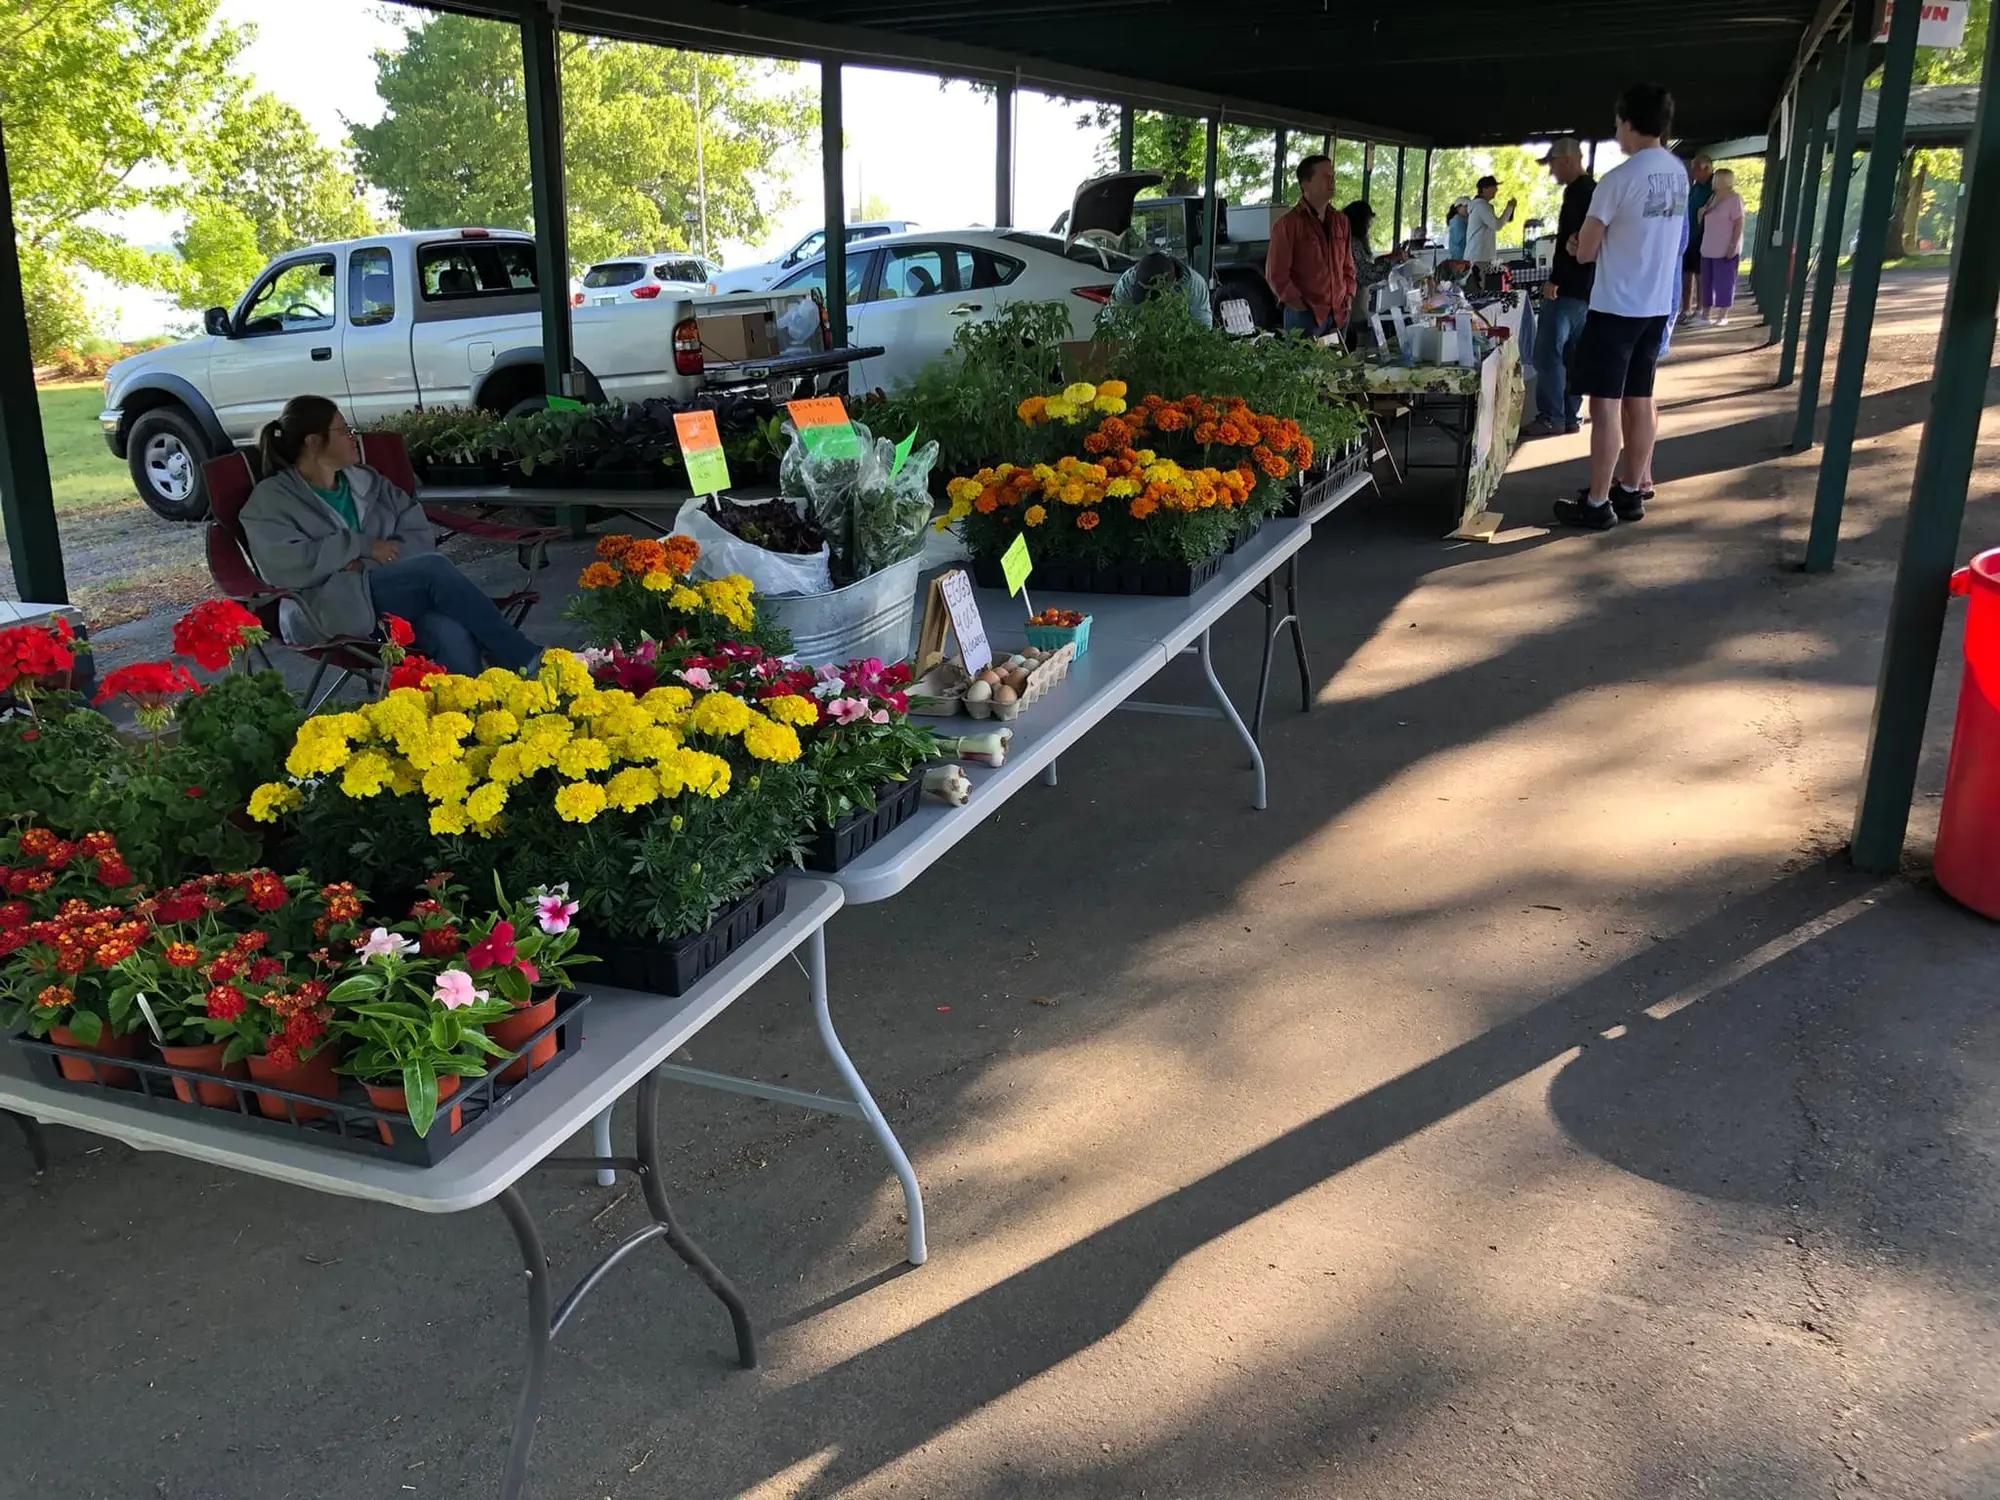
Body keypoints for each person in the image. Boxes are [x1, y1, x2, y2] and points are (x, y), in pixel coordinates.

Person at [241, 394, 541, 677]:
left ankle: (470, 721)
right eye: (343, 431)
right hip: (326, 609)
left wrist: (367, 564)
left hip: (394, 598)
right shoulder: (272, 500)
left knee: (448, 630)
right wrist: (361, 545)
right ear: (313, 442)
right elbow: (282, 566)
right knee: (433, 570)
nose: (353, 438)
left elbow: (417, 533)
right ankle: (526, 659)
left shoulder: (368, 481)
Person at [1553, 82, 1688, 532]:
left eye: (1617, 125)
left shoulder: (1618, 179)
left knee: (1605, 406)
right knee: (1640, 398)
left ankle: (1596, 502)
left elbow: (1587, 250)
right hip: (1654, 306)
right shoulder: (1677, 172)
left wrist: (1576, 242)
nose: (1616, 134)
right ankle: (1631, 490)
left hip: (1615, 307)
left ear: (1629, 123)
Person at [1523, 137, 1596, 439]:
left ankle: (1552, 416)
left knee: (1547, 353)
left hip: (1567, 288)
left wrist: (1556, 279)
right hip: (1589, 289)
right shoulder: (1595, 191)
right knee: (1574, 355)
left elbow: (1574, 243)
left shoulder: (1578, 193)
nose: (1551, 171)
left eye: (1552, 163)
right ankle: (1571, 414)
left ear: (1566, 160)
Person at [1266, 153, 1356, 337]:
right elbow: (1276, 274)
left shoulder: (1341, 221)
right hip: (1306, 316)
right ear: (1305, 183)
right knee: (1304, 366)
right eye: (1325, 177)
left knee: (1336, 365)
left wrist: (1348, 296)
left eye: (1333, 176)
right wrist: (1299, 306)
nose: (1332, 182)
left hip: (1338, 314)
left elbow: (1348, 265)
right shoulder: (1288, 224)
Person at [1109, 249, 1213, 326]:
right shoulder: (1126, 285)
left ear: (1174, 284)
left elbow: (1202, 327)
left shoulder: (1195, 287)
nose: (1151, 311)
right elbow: (1110, 320)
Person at [1697, 167, 1745, 324]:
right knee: (1706, 282)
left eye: (1717, 178)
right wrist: (1700, 214)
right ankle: (1705, 315)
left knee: (1724, 282)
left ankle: (1723, 316)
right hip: (1708, 247)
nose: (1713, 180)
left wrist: (1733, 245)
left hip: (1725, 249)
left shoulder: (1734, 199)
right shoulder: (1712, 198)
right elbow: (1703, 223)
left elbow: (1739, 223)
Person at [1681, 154, 1714, 322]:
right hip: (1690, 234)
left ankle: (1700, 309)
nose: (1692, 172)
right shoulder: (1695, 187)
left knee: (1701, 273)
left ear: (1706, 168)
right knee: (1686, 272)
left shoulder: (1714, 187)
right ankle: (1685, 308)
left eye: (1695, 168)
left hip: (1704, 235)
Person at [1465, 175, 1516, 265]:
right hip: (1479, 257)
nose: (1496, 190)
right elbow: (1497, 225)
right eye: (1494, 187)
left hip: (1478, 255)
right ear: (1485, 189)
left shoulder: (1478, 206)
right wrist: (1509, 208)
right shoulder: (1481, 205)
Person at [1445, 197, 1472, 262]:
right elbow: (1460, 240)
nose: (1468, 209)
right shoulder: (1457, 220)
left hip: (1461, 256)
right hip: (1461, 257)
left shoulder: (1462, 220)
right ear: (1458, 207)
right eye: (1466, 206)